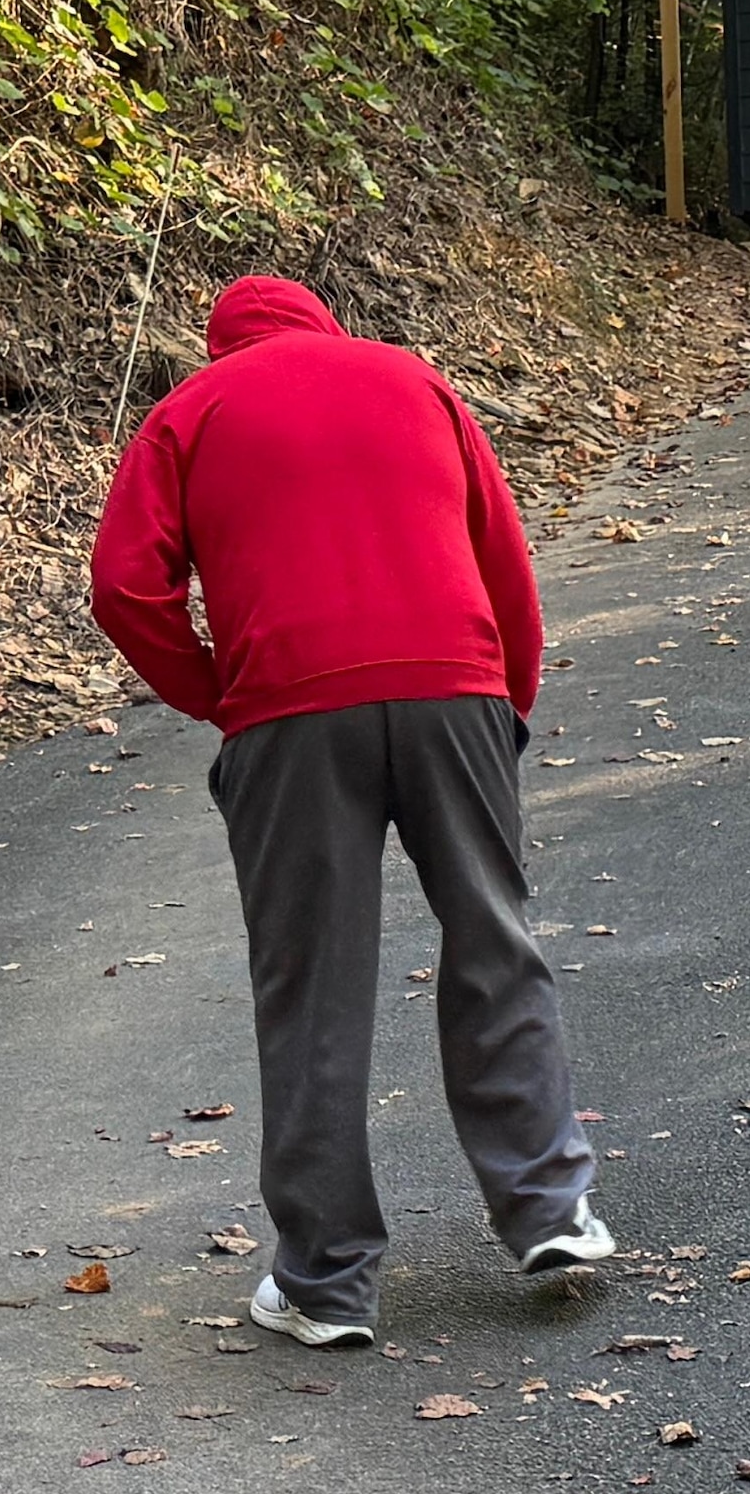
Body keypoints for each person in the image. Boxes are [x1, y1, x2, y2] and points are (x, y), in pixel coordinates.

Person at [89, 274, 605, 1347]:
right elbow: (504, 559)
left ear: (217, 344)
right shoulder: (416, 381)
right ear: (323, 321)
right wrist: (507, 698)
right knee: (493, 937)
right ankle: (551, 1210)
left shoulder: (189, 414)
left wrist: (219, 694)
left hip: (287, 711)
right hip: (453, 685)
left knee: (311, 980)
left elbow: (124, 587)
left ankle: (326, 1282)